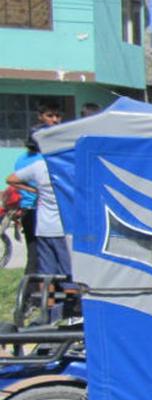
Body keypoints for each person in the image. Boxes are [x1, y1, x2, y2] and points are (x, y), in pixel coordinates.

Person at [15, 103, 62, 274]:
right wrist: (35, 191)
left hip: (35, 211)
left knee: (40, 257)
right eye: (50, 116)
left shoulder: (26, 158)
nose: (55, 120)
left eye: (57, 116)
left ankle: (38, 294)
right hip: (37, 211)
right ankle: (31, 295)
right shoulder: (39, 161)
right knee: (39, 258)